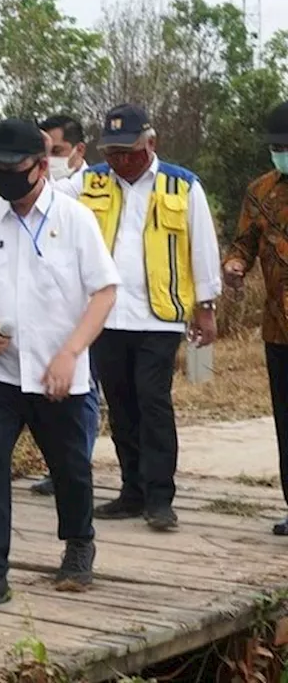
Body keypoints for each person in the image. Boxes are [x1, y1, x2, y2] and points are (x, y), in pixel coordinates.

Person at [0, 118, 120, 614]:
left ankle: (79, 543)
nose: (2, 175)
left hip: (57, 372)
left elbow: (105, 292)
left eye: (12, 167)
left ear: (40, 166)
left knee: (69, 467)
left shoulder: (75, 219)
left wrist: (70, 353)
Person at [77, 104, 223, 531]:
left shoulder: (182, 185)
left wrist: (206, 307)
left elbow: (203, 246)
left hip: (160, 316)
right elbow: (48, 201)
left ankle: (160, 496)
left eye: (128, 151)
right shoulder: (91, 181)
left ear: (150, 143)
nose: (119, 160)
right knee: (120, 404)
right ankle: (131, 490)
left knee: (152, 401)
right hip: (106, 315)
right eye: (112, 153)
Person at [223, 99, 288, 536]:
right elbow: (244, 242)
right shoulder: (260, 191)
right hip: (278, 329)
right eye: (276, 146)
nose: (280, 152)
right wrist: (235, 264)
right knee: (286, 423)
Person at [32, 115, 99, 497]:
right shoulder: (46, 186)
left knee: (85, 389)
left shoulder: (91, 186)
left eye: (56, 151)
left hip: (92, 303)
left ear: (78, 151)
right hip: (52, 306)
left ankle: (76, 466)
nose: (51, 158)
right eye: (46, 151)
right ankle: (64, 466)